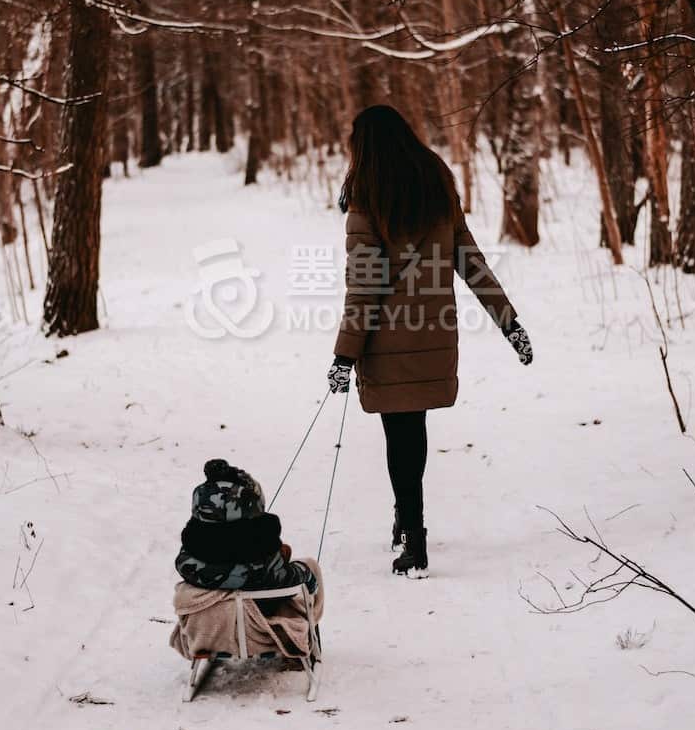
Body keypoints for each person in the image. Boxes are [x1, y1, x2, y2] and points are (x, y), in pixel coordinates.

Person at [327, 105, 532, 579]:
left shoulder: (368, 192)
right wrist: (510, 323)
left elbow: (365, 283)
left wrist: (344, 355)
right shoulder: (435, 176)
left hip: (385, 337)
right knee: (411, 432)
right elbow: (469, 257)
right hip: (434, 331)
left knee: (398, 436)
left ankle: (413, 540)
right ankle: (405, 521)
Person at [175, 458, 319, 599]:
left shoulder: (188, 559)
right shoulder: (263, 563)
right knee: (310, 567)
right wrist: (307, 574)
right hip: (257, 612)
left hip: (204, 613)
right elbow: (286, 579)